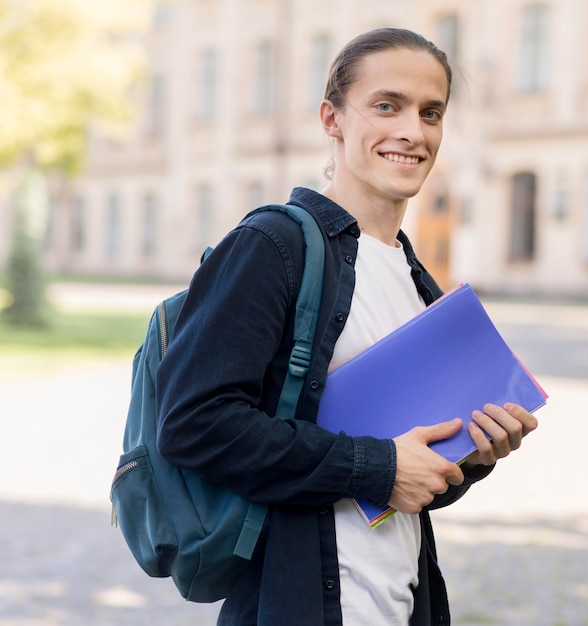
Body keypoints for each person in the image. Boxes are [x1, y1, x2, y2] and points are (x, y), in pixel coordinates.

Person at [156, 27, 538, 626]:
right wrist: (380, 468)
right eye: (387, 106)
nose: (413, 130)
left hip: (402, 602)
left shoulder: (420, 284)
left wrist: (473, 454)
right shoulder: (272, 246)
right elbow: (193, 424)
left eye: (430, 112)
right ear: (331, 119)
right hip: (300, 601)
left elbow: (408, 485)